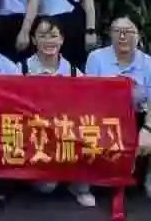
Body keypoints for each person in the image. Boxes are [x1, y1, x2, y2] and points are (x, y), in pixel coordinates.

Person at [85, 11, 151, 201]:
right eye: (117, 31)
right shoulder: (96, 58)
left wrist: (146, 130)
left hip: (137, 115)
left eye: (128, 31)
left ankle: (150, 175)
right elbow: (89, 96)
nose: (122, 36)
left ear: (138, 35)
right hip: (103, 116)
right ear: (110, 34)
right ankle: (87, 177)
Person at [19, 16, 95, 208]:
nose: (49, 41)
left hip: (67, 133)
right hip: (35, 135)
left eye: (53, 36)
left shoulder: (74, 72)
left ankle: (79, 185)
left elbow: (88, 106)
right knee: (47, 187)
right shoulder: (21, 69)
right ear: (33, 39)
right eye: (43, 36)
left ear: (62, 39)